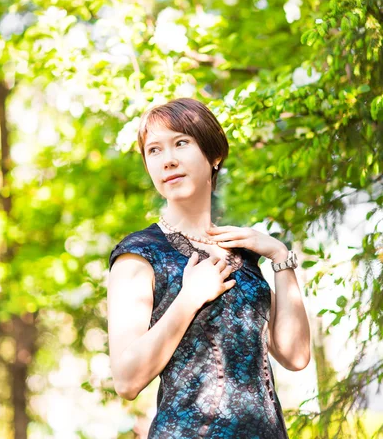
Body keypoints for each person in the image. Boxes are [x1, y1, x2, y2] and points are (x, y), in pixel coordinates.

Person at [107, 97, 311, 438]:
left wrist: (279, 257)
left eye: (181, 143)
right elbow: (126, 380)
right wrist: (189, 299)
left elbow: (296, 355)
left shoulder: (244, 254)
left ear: (214, 156)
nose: (168, 160)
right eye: (154, 150)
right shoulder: (138, 255)